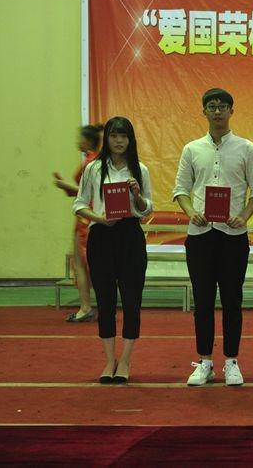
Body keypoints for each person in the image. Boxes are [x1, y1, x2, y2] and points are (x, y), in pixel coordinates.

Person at [173, 88, 253, 387]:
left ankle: (231, 361)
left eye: (222, 106)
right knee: (202, 301)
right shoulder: (192, 149)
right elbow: (181, 190)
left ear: (231, 111)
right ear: (204, 111)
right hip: (200, 235)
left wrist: (244, 216)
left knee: (232, 300)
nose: (217, 111)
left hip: (232, 235)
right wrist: (191, 212)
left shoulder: (246, 148)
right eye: (212, 106)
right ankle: (204, 362)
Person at [72, 116, 152, 384]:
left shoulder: (140, 169)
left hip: (130, 237)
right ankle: (109, 360)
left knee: (131, 301)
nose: (119, 141)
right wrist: (99, 218)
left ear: (131, 140)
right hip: (101, 236)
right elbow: (79, 204)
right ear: (107, 139)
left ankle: (125, 360)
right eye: (114, 136)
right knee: (105, 301)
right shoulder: (94, 169)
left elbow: (146, 210)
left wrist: (137, 195)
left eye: (124, 136)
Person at [53, 124, 102, 322]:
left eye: (80, 138)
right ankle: (91, 306)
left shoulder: (91, 162)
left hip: (85, 220)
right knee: (86, 264)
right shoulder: (94, 161)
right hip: (87, 217)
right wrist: (67, 187)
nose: (77, 141)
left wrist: (64, 184)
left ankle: (86, 307)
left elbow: (84, 192)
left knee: (83, 265)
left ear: (88, 141)